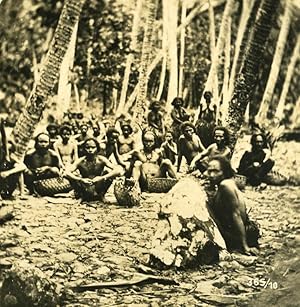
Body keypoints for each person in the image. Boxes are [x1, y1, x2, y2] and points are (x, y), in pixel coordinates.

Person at [206, 156, 259, 254]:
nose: (212, 175)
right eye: (209, 171)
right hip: (239, 231)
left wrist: (244, 246)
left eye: (216, 171)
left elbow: (236, 214)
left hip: (235, 235)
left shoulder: (225, 185)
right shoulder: (227, 183)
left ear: (224, 171)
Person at [0, 121, 26, 199]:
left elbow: (22, 166)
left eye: (10, 143)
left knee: (18, 170)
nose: (8, 145)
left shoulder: (10, 156)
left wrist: (8, 173)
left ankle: (22, 194)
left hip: (7, 183)